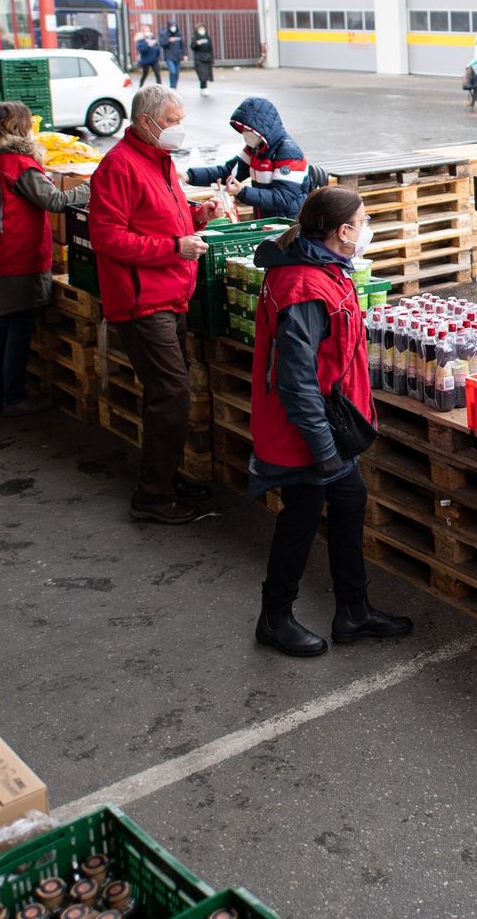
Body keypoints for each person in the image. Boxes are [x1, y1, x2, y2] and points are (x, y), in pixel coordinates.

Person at [248, 186, 412, 656]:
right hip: (308, 433)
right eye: (362, 223)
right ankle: (274, 618)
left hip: (330, 427)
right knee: (300, 518)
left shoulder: (325, 267)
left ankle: (353, 612)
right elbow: (297, 382)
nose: (365, 231)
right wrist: (322, 449)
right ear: (342, 231)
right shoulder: (303, 286)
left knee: (349, 501)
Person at [88, 85, 217, 525]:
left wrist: (198, 217)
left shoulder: (159, 162)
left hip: (170, 294)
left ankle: (163, 477)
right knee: (172, 394)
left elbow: (161, 217)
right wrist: (172, 248)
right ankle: (152, 496)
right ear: (147, 122)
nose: (179, 129)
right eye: (173, 121)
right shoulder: (119, 166)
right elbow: (106, 237)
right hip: (143, 301)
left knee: (167, 395)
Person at [0, 101, 89, 417]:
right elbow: (57, 201)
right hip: (16, 257)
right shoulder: (16, 164)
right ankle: (14, 399)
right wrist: (93, 186)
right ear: (21, 128)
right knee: (18, 328)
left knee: (1, 327)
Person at [185, 97, 308, 219]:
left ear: (262, 128)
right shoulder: (255, 148)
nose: (245, 133)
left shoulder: (289, 152)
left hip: (288, 225)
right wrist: (189, 176)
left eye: (248, 129)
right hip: (265, 222)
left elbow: (281, 198)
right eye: (243, 129)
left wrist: (242, 192)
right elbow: (228, 173)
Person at [190, 25, 215, 94]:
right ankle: (204, 88)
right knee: (202, 73)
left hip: (207, 57)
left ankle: (203, 87)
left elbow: (211, 48)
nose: (202, 30)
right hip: (199, 58)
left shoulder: (207, 37)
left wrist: (212, 57)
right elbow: (192, 46)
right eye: (200, 29)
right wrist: (197, 44)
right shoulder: (195, 37)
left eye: (203, 29)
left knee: (207, 73)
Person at [161, 23, 186, 89]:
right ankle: (172, 86)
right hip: (169, 56)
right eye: (172, 26)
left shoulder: (179, 35)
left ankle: (174, 86)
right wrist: (168, 40)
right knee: (172, 71)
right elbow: (162, 44)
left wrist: (185, 54)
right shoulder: (165, 35)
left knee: (177, 73)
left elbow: (182, 45)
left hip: (178, 56)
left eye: (174, 26)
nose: (173, 28)